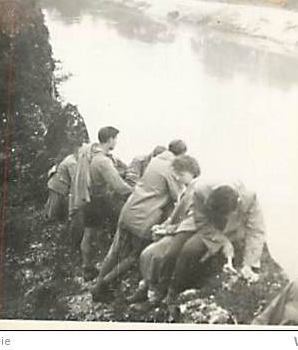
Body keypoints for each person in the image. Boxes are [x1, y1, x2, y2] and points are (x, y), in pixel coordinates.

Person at [91, 139, 187, 302]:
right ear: (181, 155)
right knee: (134, 256)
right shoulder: (172, 167)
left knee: (114, 252)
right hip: (144, 218)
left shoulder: (155, 160)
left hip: (129, 210)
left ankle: (98, 284)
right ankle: (102, 286)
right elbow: (178, 197)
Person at [164, 180, 266, 309]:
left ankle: (179, 291)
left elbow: (256, 231)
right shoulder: (201, 191)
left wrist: (248, 264)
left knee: (194, 249)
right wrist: (223, 241)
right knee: (188, 250)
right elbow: (201, 221)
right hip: (208, 225)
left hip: (234, 229)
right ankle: (173, 291)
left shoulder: (250, 197)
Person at [131, 155, 201, 307]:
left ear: (191, 172)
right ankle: (146, 288)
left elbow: (190, 221)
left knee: (154, 254)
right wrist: (162, 226)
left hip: (187, 233)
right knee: (147, 253)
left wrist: (167, 231)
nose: (177, 177)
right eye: (176, 173)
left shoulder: (196, 191)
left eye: (180, 174)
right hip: (178, 230)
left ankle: (155, 295)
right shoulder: (186, 189)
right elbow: (176, 214)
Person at [72, 126, 134, 281]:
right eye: (116, 139)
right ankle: (121, 262)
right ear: (111, 139)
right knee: (124, 223)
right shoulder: (103, 161)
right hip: (100, 201)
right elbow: (119, 186)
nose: (116, 142)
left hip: (88, 198)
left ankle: (87, 268)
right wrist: (137, 192)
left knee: (89, 233)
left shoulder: (90, 153)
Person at [44, 147, 78, 222]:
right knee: (53, 207)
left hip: (57, 185)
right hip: (58, 186)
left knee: (52, 205)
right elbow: (75, 179)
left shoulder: (71, 158)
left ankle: (48, 222)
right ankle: (49, 224)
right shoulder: (72, 162)